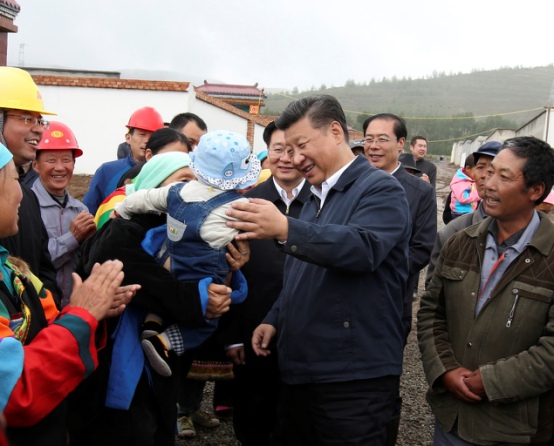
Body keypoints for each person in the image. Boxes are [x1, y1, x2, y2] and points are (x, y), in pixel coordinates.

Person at [226, 94, 411, 444]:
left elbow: (362, 248)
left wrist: (286, 229)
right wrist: (275, 318)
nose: (295, 159)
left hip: (352, 380)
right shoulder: (312, 198)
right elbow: (301, 274)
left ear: (336, 132)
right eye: (288, 149)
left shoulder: (380, 189)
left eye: (301, 145)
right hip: (301, 372)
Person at [68, 151, 243, 446]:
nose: (193, 190)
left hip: (165, 365)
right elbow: (134, 271)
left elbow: (210, 294)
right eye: (183, 180)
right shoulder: (122, 226)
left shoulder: (187, 236)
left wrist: (229, 271)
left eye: (197, 181)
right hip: (116, 365)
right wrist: (196, 298)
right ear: (156, 186)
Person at [418, 136, 554, 445]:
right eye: (488, 171)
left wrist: (489, 382)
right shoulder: (459, 241)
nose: (487, 183)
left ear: (535, 191)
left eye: (503, 176)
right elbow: (431, 312)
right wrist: (446, 370)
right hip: (452, 420)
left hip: (517, 430)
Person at [0, 142, 137, 446]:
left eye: (67, 159)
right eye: (14, 181)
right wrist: (81, 316)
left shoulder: (11, 268)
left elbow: (42, 329)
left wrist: (90, 311)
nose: (23, 193)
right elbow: (15, 392)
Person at [114, 130, 260, 376]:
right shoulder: (238, 207)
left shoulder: (176, 192)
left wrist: (122, 209)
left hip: (171, 263)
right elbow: (256, 229)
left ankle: (152, 321)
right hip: (204, 275)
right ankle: (163, 344)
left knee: (165, 291)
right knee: (208, 321)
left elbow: (143, 198)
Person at [224, 121, 312, 446]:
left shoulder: (325, 206)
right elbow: (228, 273)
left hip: (307, 333)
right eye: (278, 149)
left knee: (298, 417)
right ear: (266, 154)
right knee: (253, 412)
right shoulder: (245, 205)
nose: (286, 157)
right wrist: (232, 336)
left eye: (294, 149)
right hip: (254, 327)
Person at [363, 113, 436, 338]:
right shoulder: (350, 185)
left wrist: (374, 269)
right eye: (368, 139)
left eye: (382, 139)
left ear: (401, 143)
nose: (374, 146)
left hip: (391, 298)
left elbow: (422, 248)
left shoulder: (420, 191)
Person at [0, 66, 62, 305]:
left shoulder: (29, 197)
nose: (38, 128)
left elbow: (44, 270)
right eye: (27, 118)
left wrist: (45, 312)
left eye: (39, 120)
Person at [31, 121, 96, 306]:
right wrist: (72, 238)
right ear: (36, 164)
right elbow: (31, 263)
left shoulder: (81, 210)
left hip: (75, 308)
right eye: (51, 160)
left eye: (66, 160)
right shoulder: (26, 207)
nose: (60, 167)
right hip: (41, 309)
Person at [425, 141, 502, 286]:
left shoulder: (534, 236)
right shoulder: (452, 232)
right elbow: (433, 293)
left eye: (493, 168)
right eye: (480, 167)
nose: (485, 175)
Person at [95, 128, 192, 228]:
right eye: (169, 158)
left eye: (183, 159)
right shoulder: (119, 202)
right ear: (149, 156)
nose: (178, 165)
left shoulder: (184, 204)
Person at [82, 106, 164, 215]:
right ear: (128, 138)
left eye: (152, 136)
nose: (147, 141)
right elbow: (88, 213)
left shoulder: (166, 174)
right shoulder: (107, 171)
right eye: (142, 134)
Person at [449, 153, 480, 219]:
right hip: (460, 213)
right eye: (477, 170)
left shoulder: (470, 179)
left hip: (468, 211)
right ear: (468, 168)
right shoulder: (460, 182)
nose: (479, 173)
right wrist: (479, 194)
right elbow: (463, 198)